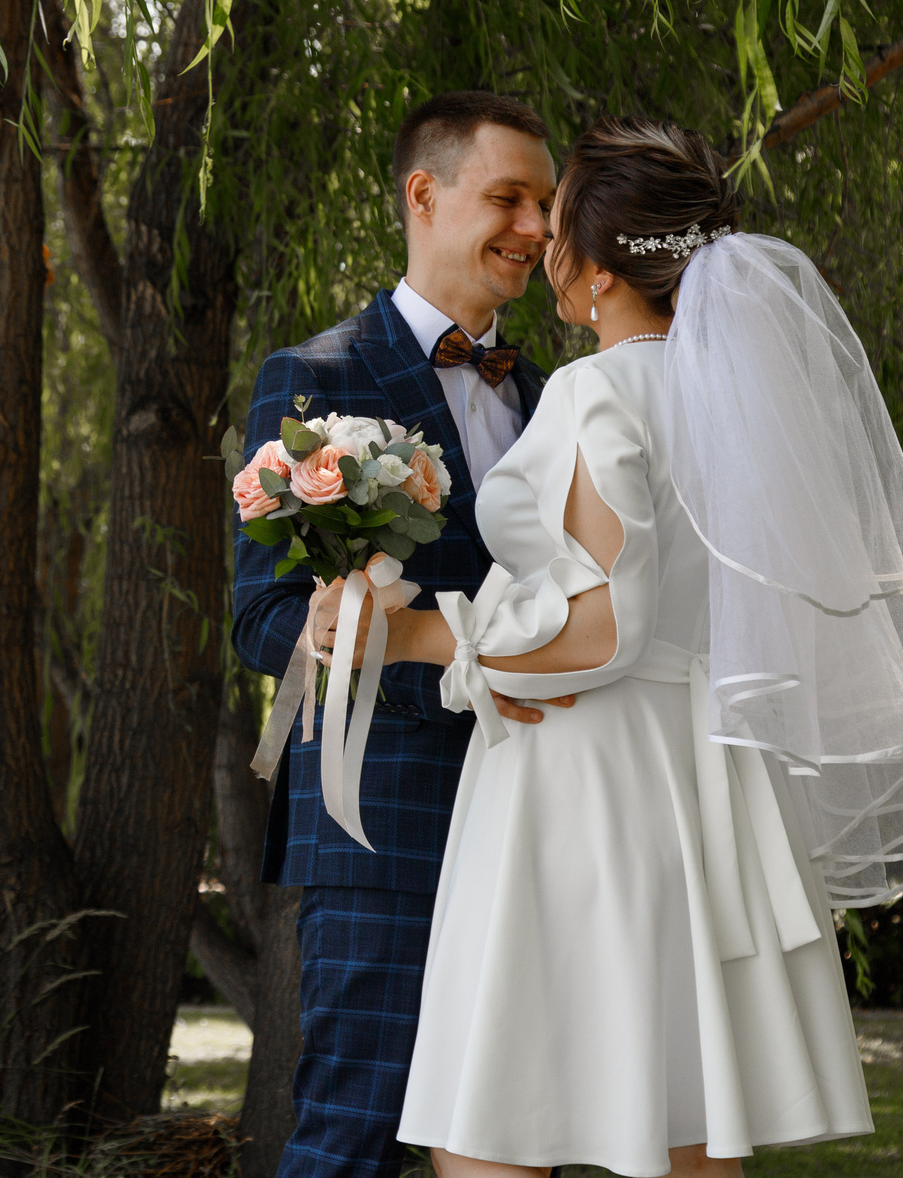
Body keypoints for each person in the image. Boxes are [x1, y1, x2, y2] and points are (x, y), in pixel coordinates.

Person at [379, 117, 903, 1178]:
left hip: (584, 782)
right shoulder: (740, 403)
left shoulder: (596, 390)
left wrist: (429, 636)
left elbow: (605, 625)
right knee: (688, 1119)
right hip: (706, 777)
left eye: (556, 230)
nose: (543, 250)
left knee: (495, 1119)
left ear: (599, 272)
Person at [230, 90, 573, 1178]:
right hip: (388, 816)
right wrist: (328, 626)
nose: (536, 228)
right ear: (424, 195)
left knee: (520, 1135)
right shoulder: (316, 379)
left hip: (542, 808)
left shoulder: (557, 396)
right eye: (509, 197)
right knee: (355, 1140)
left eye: (547, 205)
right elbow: (262, 618)